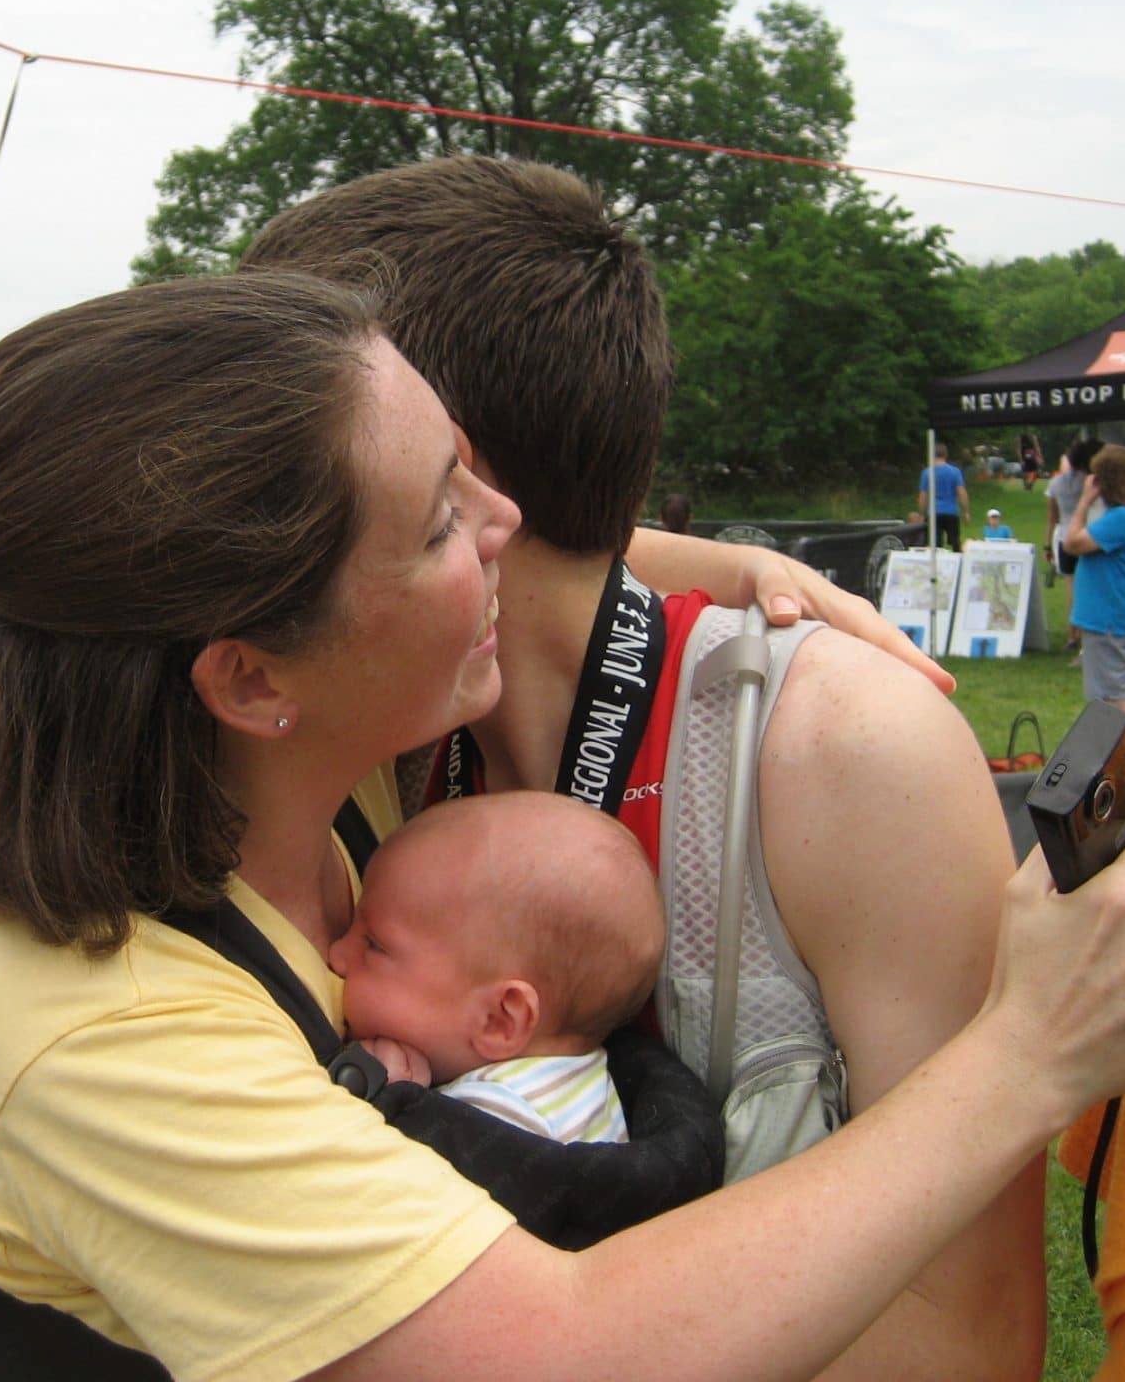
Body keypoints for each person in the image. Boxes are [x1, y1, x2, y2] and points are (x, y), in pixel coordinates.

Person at [0, 270, 1125, 1382]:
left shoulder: (272, 791)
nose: (505, 524)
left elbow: (524, 566)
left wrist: (729, 565)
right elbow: (571, 1345)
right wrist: (1030, 1053)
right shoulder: (96, 1030)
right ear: (250, 678)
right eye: (440, 518)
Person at [243, 156, 1051, 1367]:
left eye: (279, 453)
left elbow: (958, 1336)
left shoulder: (841, 750)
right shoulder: (355, 732)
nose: (246, 508)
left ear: (456, 479)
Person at [331, 792, 662, 1144]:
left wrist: (384, 1099)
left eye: (374, 945)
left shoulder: (500, 1116)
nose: (336, 955)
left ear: (500, 1019)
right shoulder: (578, 1084)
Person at [1062, 443, 1125, 741]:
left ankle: (1123, 767)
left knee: (1114, 701)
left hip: (1111, 619)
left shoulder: (1122, 519)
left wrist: (1084, 502)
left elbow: (1072, 544)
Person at [1046, 437, 1103, 652]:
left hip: (1063, 536)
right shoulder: (1089, 482)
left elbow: (1052, 516)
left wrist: (1047, 543)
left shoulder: (1056, 482)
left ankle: (1072, 634)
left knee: (1071, 587)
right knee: (1089, 587)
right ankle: (1087, 633)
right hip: (1085, 535)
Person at [917, 443, 969, 551]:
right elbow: (961, 492)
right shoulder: (955, 471)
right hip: (951, 511)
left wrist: (921, 514)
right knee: (955, 542)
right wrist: (966, 511)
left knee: (935, 545)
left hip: (934, 512)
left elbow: (923, 495)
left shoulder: (927, 473)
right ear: (946, 454)